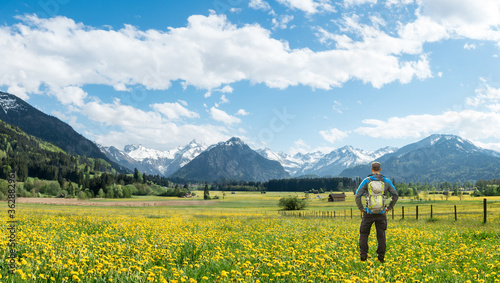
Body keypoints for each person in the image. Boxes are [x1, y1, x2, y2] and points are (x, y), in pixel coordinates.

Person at [355, 162, 398, 263]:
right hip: (381, 213)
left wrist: (361, 208)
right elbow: (395, 195)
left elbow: (357, 195)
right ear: (380, 169)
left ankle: (363, 254)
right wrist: (389, 207)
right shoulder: (386, 181)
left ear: (371, 169)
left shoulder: (366, 181)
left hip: (368, 213)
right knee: (381, 235)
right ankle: (381, 257)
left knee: (364, 233)